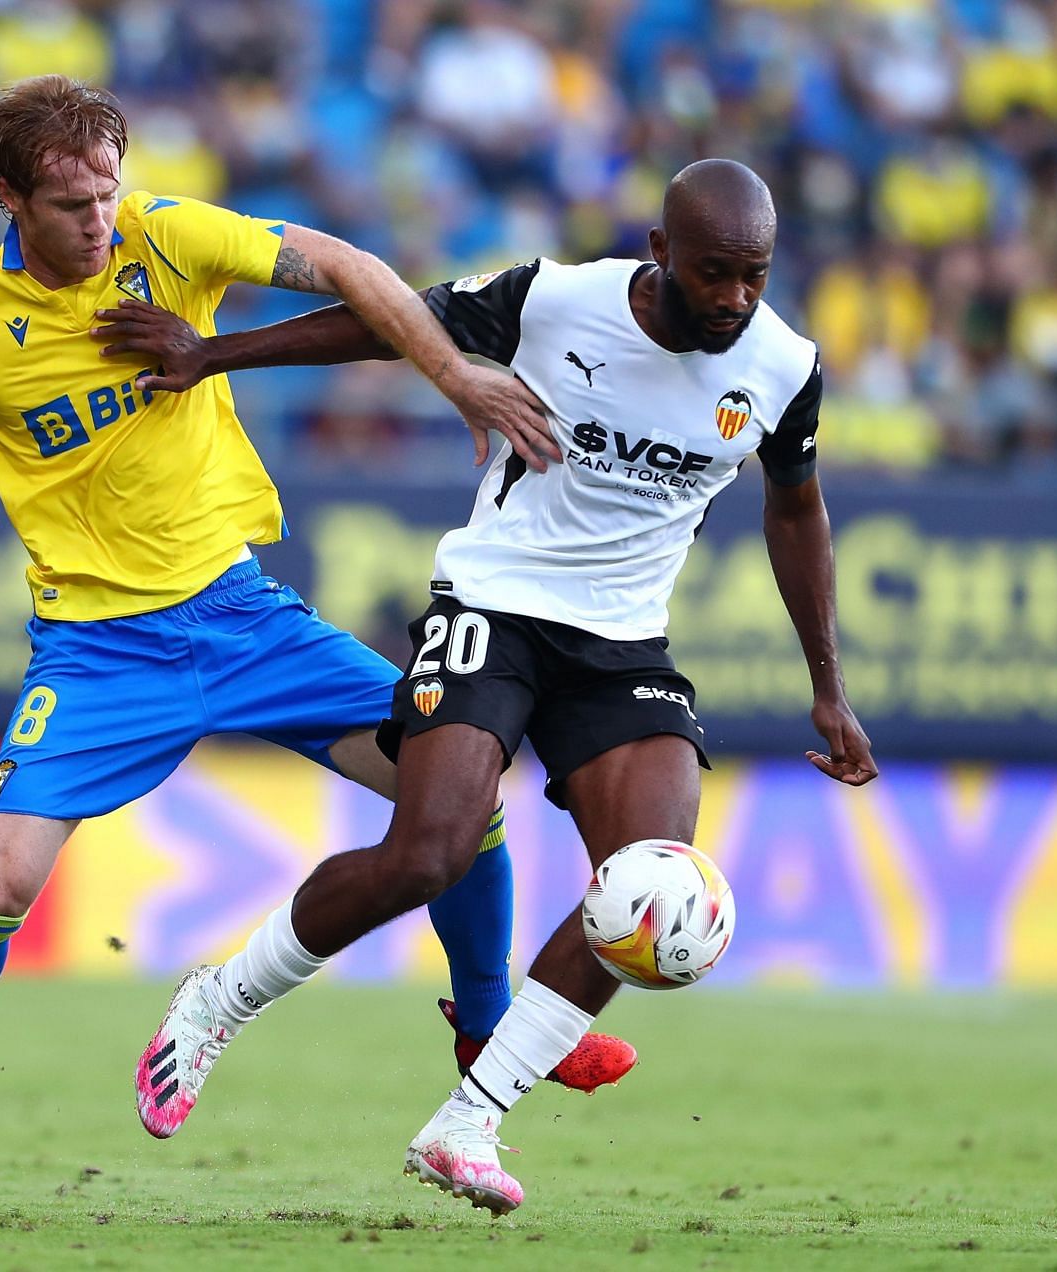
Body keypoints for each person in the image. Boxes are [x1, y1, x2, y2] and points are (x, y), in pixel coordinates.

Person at [0, 76, 634, 1211]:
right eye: (72, 202)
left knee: (455, 789)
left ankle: (483, 1033)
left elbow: (358, 274)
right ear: (9, 197)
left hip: (244, 618)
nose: (100, 218)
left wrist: (454, 372)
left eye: (108, 190)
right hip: (96, 653)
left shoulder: (171, 237)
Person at [112, 159, 879, 1213]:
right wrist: (213, 356)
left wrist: (827, 686)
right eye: (715, 274)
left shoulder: (784, 367)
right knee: (430, 851)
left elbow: (796, 511)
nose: (736, 299)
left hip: (622, 647)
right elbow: (388, 324)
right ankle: (214, 1004)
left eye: (754, 275)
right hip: (494, 606)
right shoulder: (555, 299)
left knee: (651, 888)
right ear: (660, 255)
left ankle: (471, 1119)